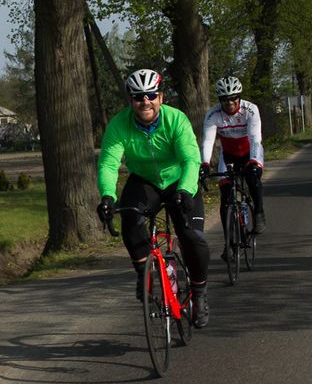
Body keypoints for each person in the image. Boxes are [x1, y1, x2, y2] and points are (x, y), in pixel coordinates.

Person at [96, 69, 210, 329]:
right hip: (145, 181)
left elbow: (190, 159)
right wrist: (107, 196)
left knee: (191, 237)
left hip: (179, 180)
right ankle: (142, 274)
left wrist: (186, 190)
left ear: (160, 97)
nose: (144, 101)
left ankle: (200, 293)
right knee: (130, 217)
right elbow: (108, 164)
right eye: (138, 97)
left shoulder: (176, 120)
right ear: (130, 100)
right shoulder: (119, 125)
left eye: (150, 95)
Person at [199, 76, 266, 260]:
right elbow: (208, 141)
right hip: (228, 155)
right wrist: (204, 164)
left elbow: (255, 138)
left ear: (239, 97)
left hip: (249, 151)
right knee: (226, 197)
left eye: (233, 99)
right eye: (225, 100)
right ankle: (228, 244)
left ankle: (259, 212)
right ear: (220, 100)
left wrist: (254, 162)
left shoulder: (250, 110)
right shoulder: (213, 114)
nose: (229, 103)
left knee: (253, 178)